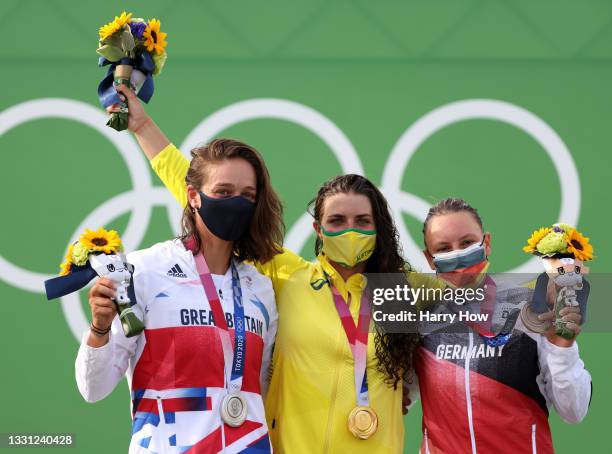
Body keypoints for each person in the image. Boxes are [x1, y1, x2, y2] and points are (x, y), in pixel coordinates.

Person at [112, 84, 437, 453]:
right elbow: (208, 195)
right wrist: (143, 128)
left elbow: (481, 296)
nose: (350, 230)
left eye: (363, 220)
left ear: (379, 227)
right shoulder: (288, 277)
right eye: (337, 220)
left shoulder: (404, 291)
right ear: (318, 229)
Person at [75, 137, 283, 453]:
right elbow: (93, 388)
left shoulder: (260, 288)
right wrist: (100, 328)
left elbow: (262, 390)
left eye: (247, 196)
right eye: (223, 192)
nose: (236, 203)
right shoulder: (143, 271)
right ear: (193, 196)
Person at [407, 198, 592, 454]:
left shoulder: (531, 310)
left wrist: (562, 345)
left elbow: (574, 410)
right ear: (430, 259)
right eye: (444, 249)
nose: (458, 255)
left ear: (487, 243)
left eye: (467, 243)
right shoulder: (420, 322)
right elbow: (397, 395)